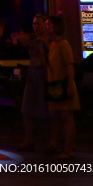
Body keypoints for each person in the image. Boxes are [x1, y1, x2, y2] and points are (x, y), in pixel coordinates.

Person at [46, 14, 79, 158]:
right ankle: (60, 144)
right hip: (54, 85)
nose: (47, 27)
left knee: (66, 115)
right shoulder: (52, 45)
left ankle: (69, 148)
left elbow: (70, 65)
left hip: (63, 84)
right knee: (56, 116)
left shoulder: (63, 44)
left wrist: (70, 84)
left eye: (49, 25)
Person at [17, 13, 50, 150]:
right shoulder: (34, 39)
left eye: (38, 24)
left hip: (44, 74)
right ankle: (29, 139)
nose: (35, 26)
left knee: (49, 109)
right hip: (33, 73)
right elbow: (20, 38)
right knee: (27, 107)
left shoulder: (48, 40)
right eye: (34, 24)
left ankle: (53, 139)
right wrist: (34, 38)